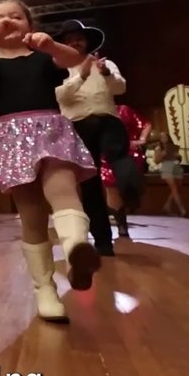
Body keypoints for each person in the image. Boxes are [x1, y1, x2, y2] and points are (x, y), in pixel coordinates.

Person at [0, 0, 97, 324]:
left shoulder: (43, 58)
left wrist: (50, 45)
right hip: (12, 137)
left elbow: (75, 59)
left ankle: (76, 248)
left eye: (15, 17)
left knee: (63, 188)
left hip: (51, 129)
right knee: (31, 214)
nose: (8, 21)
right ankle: (44, 288)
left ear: (29, 24)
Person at [53, 19, 137, 256]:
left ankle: (130, 192)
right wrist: (80, 76)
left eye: (78, 38)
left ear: (87, 41)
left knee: (120, 159)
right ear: (62, 45)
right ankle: (103, 241)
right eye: (68, 40)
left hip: (108, 119)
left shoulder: (105, 62)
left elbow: (120, 89)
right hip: (78, 125)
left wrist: (106, 73)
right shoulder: (57, 69)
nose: (75, 43)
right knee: (89, 184)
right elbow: (60, 97)